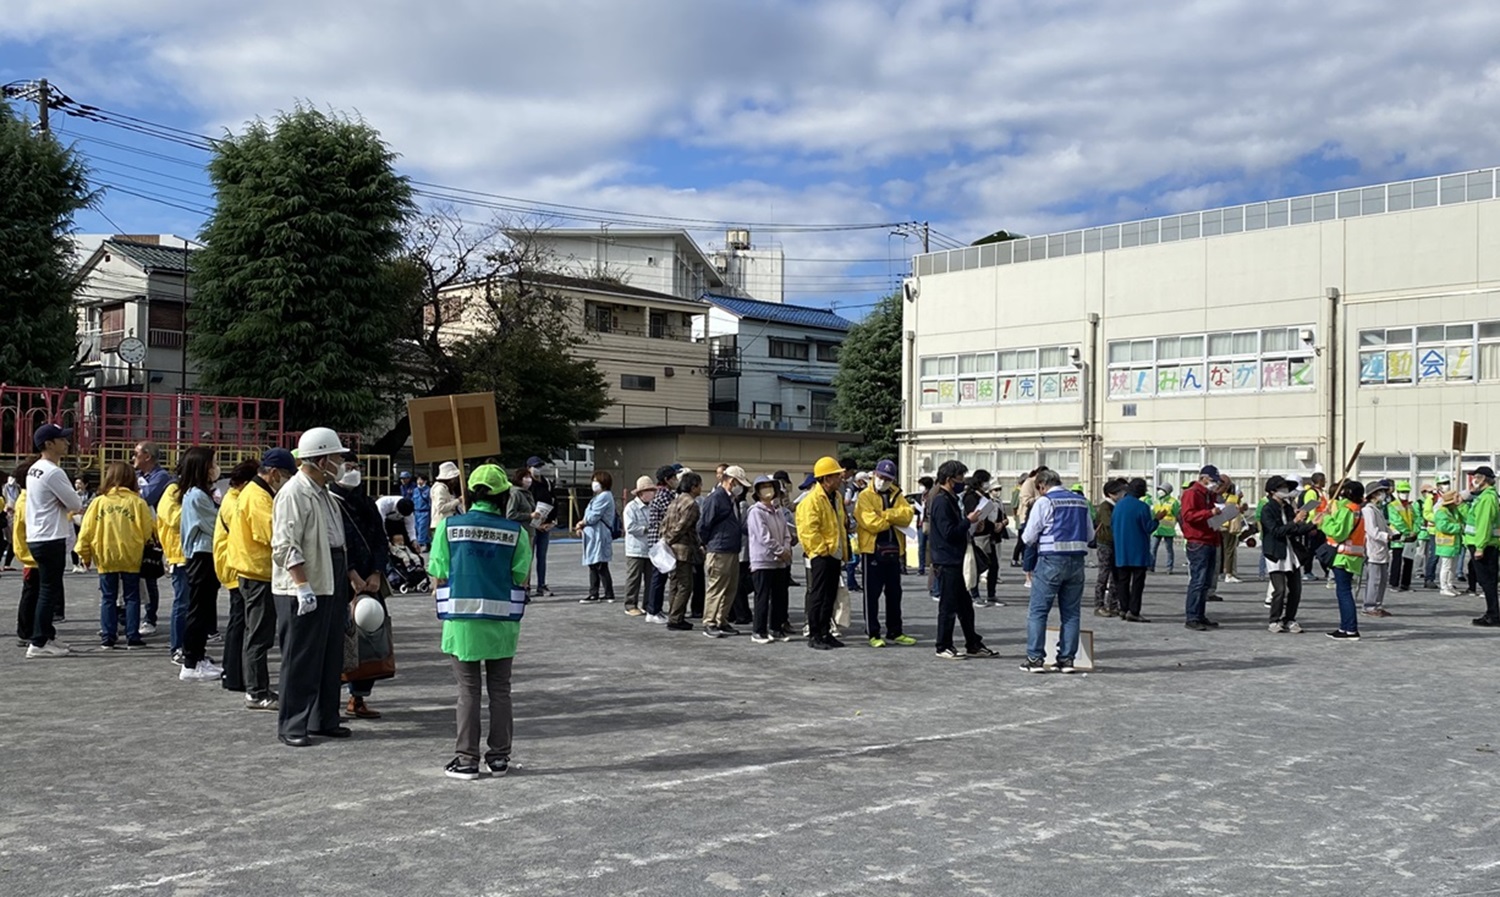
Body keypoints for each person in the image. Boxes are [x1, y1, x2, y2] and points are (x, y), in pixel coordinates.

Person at [429, 464, 532, 780]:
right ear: (503, 496)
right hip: (501, 623)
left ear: (471, 493)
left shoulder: (449, 528)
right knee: (501, 690)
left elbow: (438, 573)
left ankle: (466, 760)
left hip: (462, 624)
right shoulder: (516, 532)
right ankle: (499, 758)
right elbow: (521, 577)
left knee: (468, 691)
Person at [271, 428, 353, 747]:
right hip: (303, 585)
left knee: (330, 655)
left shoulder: (325, 493)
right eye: (336, 458)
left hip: (329, 578)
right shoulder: (294, 494)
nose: (340, 463)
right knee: (301, 657)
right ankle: (293, 723)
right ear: (321, 459)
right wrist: (301, 584)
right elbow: (285, 545)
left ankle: (323, 718)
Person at [231, 449, 295, 712]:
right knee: (258, 635)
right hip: (257, 573)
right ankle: (256, 691)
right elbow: (272, 533)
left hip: (254, 571)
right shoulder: (257, 497)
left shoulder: (256, 492)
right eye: (287, 476)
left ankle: (257, 688)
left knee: (256, 633)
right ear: (274, 474)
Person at [75, 461, 154, 650]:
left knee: (108, 597)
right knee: (132, 597)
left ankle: (108, 636)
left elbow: (86, 532)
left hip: (105, 555)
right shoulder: (138, 503)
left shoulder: (98, 503)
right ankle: (132, 636)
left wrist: (84, 555)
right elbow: (147, 532)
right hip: (131, 555)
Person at [1019, 468, 1092, 672]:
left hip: (1051, 560)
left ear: (1042, 486)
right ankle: (1067, 659)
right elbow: (1090, 534)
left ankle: (1035, 659)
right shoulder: (1080, 501)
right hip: (1077, 561)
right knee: (1071, 613)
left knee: (1038, 611)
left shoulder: (1045, 502)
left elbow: (1029, 537)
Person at [24, 424, 83, 657]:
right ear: (49, 444)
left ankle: (46, 634)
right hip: (51, 536)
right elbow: (75, 503)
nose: (67, 443)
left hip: (38, 534)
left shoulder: (34, 469)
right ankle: (38, 642)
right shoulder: (53, 471)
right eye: (62, 439)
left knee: (44, 588)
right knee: (49, 590)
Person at [927, 460, 996, 660]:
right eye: (960, 479)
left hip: (955, 558)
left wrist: (972, 524)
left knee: (965, 607)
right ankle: (943, 645)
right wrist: (968, 521)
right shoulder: (941, 500)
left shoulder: (950, 499)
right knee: (948, 606)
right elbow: (949, 532)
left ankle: (973, 642)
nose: (962, 483)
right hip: (947, 560)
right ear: (949, 479)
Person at [855, 459, 917, 648]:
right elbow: (870, 523)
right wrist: (892, 517)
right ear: (874, 474)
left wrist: (885, 514)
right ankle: (873, 633)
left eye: (888, 478)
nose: (884, 481)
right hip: (871, 551)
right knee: (872, 594)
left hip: (893, 549)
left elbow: (907, 515)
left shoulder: (896, 494)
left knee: (894, 593)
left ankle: (895, 630)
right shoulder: (865, 496)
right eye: (881, 477)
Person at [175, 446, 222, 681]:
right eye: (213, 463)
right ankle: (191, 662)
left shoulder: (201, 494)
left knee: (204, 609)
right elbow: (217, 524)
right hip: (201, 556)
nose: (216, 467)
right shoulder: (197, 496)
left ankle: (198, 656)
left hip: (205, 555)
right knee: (198, 610)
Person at [797, 456, 853, 650]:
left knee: (830, 595)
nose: (840, 478)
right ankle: (814, 634)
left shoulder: (836, 497)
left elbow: (838, 524)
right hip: (821, 555)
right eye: (836, 475)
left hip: (834, 553)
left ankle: (825, 632)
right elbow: (808, 531)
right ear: (826, 478)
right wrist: (822, 550)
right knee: (818, 595)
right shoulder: (811, 500)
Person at [213, 459, 258, 693]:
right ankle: (233, 673)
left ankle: (233, 672)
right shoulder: (235, 503)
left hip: (233, 564)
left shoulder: (232, 498)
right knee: (239, 622)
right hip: (235, 566)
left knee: (238, 621)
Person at [698, 464, 752, 637]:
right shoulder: (716, 498)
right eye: (739, 483)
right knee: (716, 587)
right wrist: (706, 544)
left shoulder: (731, 499)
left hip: (731, 549)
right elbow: (704, 525)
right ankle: (710, 622)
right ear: (731, 481)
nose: (740, 488)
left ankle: (722, 620)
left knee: (730, 588)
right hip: (719, 549)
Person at [1260, 476, 1317, 633]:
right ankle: (1274, 620)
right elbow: (1276, 531)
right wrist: (1295, 522)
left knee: (1296, 589)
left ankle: (1289, 619)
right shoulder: (1267, 509)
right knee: (1280, 589)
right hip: (1276, 552)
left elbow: (1295, 530)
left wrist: (1313, 524)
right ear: (1273, 492)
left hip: (1291, 552)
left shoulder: (1287, 507)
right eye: (1281, 488)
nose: (1285, 490)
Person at [1317, 479, 1367, 640]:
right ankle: (1346, 627)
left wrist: (1326, 519)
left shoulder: (1347, 509)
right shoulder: (1357, 509)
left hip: (1343, 555)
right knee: (1344, 592)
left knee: (1344, 593)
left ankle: (1350, 628)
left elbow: (1338, 532)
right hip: (1352, 555)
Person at [746, 476, 793, 644]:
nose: (768, 490)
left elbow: (786, 533)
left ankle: (776, 628)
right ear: (757, 492)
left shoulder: (778, 511)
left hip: (779, 562)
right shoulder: (755, 512)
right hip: (763, 560)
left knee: (779, 596)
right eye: (763, 487)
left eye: (770, 486)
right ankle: (759, 631)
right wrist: (780, 551)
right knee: (762, 597)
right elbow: (763, 537)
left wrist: (786, 549)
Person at [133, 442, 172, 636]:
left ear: (147, 456)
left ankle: (150, 618)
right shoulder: (137, 476)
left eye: (136, 454)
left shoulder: (161, 476)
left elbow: (145, 497)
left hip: (152, 533)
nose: (133, 458)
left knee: (149, 576)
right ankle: (126, 617)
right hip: (133, 532)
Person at [1180, 465, 1225, 631]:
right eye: (1212, 480)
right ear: (1203, 477)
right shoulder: (1192, 493)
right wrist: (1210, 513)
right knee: (1198, 580)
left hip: (1210, 538)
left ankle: (1200, 614)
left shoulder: (1208, 494)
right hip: (1198, 540)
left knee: (1206, 581)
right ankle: (1192, 616)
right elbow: (1188, 516)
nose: (1214, 484)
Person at [660, 472, 704, 632]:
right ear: (693, 487)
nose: (701, 489)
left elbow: (664, 523)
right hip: (683, 549)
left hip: (671, 549)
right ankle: (676, 618)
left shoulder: (675, 500)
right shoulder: (691, 503)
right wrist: (671, 538)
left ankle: (674, 615)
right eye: (699, 485)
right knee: (685, 585)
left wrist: (665, 539)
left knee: (674, 583)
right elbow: (682, 526)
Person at [1112, 478, 1156, 623]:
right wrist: (1157, 519)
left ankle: (1123, 608)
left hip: (1121, 550)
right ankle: (1134, 610)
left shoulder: (1118, 506)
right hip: (1138, 551)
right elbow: (1148, 527)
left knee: (1122, 582)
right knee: (1137, 583)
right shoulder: (1142, 507)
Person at [643, 465, 681, 623]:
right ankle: (653, 610)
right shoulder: (664, 495)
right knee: (659, 577)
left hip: (658, 541)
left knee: (660, 576)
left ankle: (654, 609)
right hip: (660, 541)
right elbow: (674, 515)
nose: (676, 481)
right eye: (674, 478)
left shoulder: (662, 494)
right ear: (667, 480)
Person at [576, 470, 618, 604]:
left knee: (599, 564)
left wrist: (582, 523)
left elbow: (594, 516)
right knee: (594, 564)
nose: (593, 484)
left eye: (596, 481)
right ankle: (597, 593)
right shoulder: (598, 496)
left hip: (599, 534)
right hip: (593, 534)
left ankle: (603, 593)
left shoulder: (604, 496)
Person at [1465, 466, 1500, 627]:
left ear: (1484, 479)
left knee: (1487, 581)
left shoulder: (1487, 498)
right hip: (1483, 544)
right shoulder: (1483, 496)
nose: (1474, 480)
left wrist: (1480, 547)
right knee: (1487, 581)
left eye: (1477, 477)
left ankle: (1493, 614)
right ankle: (1492, 612)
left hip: (1484, 546)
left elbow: (1484, 524)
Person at [961, 470, 1001, 606]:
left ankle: (991, 594)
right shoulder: (971, 497)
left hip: (989, 534)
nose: (987, 484)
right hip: (977, 535)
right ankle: (974, 594)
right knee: (977, 565)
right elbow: (972, 515)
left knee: (993, 566)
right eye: (986, 481)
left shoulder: (985, 496)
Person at [621, 476, 657, 617]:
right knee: (633, 578)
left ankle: (648, 605)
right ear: (640, 493)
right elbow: (630, 527)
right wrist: (647, 528)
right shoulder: (631, 507)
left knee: (650, 579)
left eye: (652, 491)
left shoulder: (652, 506)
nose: (652, 494)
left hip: (650, 549)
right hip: (635, 550)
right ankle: (630, 605)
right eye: (648, 491)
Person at [1361, 479, 1395, 619]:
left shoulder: (1378, 509)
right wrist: (1386, 536)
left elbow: (1384, 526)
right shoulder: (1368, 510)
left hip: (1382, 548)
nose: (1383, 494)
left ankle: (1377, 604)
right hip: (1373, 549)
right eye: (1380, 492)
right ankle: (1369, 606)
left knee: (1382, 580)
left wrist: (1395, 534)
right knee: (1374, 580)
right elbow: (1372, 530)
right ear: (1373, 494)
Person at [525, 456, 559, 597]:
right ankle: (525, 586)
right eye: (535, 466)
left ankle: (541, 585)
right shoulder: (527, 484)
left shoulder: (547, 483)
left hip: (545, 524)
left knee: (542, 556)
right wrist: (534, 523)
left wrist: (551, 522)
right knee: (527, 556)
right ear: (528, 468)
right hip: (531, 525)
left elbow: (554, 502)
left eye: (539, 466)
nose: (538, 469)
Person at [1092, 478, 1125, 617]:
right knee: (1103, 574)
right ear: (1111, 493)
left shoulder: (1118, 505)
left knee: (1115, 575)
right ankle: (1099, 605)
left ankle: (1113, 604)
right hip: (1105, 543)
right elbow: (1107, 522)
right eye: (1120, 492)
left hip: (1115, 543)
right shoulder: (1105, 506)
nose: (1122, 494)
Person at [1387, 480, 1419, 593]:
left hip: (1410, 538)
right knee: (1397, 560)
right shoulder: (1392, 506)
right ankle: (1394, 583)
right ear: (1398, 492)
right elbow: (1396, 521)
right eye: (1402, 491)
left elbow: (1416, 519)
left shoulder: (1410, 506)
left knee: (1409, 561)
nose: (1405, 493)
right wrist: (1407, 532)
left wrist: (1415, 531)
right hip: (1398, 537)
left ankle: (1406, 584)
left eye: (1407, 491)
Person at [505, 467, 537, 570]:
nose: (529, 480)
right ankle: (520, 584)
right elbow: (510, 514)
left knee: (528, 559)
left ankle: (526, 584)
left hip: (530, 530)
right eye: (526, 477)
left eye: (530, 477)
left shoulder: (527, 493)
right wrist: (529, 516)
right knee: (521, 560)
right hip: (521, 531)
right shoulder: (515, 493)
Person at [1434, 489, 1464, 597]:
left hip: (1454, 543)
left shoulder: (1454, 511)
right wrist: (1458, 527)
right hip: (1445, 544)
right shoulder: (1441, 512)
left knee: (1453, 566)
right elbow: (1443, 527)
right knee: (1446, 566)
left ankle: (1450, 585)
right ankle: (1444, 587)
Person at [430, 461, 465, 542]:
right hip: (441, 524)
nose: (455, 480)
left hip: (447, 523)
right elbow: (441, 508)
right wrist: (458, 500)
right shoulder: (440, 489)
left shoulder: (447, 488)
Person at [1151, 484, 1178, 574]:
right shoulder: (1156, 501)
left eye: (1161, 489)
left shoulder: (1173, 502)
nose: (1159, 491)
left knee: (1169, 549)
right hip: (1157, 529)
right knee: (1153, 549)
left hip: (1168, 529)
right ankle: (1151, 567)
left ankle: (1169, 568)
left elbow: (1177, 514)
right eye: (1159, 489)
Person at [411, 473, 432, 549]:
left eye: (421, 479)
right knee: (416, 528)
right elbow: (413, 500)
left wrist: (421, 489)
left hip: (425, 511)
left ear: (425, 481)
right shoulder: (415, 490)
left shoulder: (428, 489)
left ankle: (420, 545)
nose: (419, 481)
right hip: (416, 511)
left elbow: (427, 499)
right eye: (418, 479)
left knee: (422, 529)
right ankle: (427, 543)